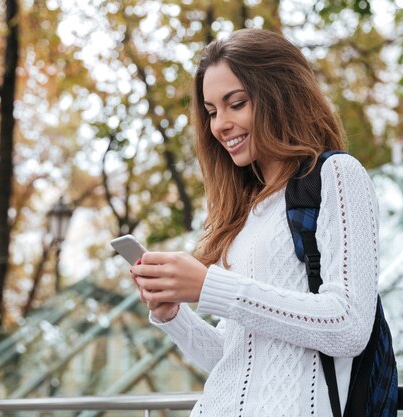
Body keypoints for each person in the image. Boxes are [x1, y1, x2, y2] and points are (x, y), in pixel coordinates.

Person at [130, 28, 379, 417]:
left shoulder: (337, 175)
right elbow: (234, 361)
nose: (220, 125)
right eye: (212, 111)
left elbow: (349, 326)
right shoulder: (246, 213)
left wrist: (210, 285)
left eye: (236, 104)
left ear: (280, 95)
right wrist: (173, 315)